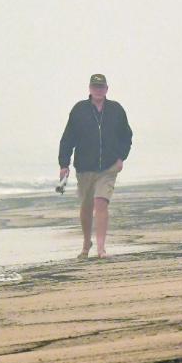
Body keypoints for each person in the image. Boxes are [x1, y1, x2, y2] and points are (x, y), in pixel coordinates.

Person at [58, 73, 133, 259]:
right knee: (86, 206)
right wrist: (64, 164)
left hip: (108, 167)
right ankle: (86, 243)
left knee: (101, 203)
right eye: (95, 87)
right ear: (90, 89)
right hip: (84, 167)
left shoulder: (116, 110)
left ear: (106, 89)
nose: (98, 90)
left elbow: (127, 136)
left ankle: (101, 248)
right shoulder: (79, 110)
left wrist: (121, 158)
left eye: (101, 87)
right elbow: (68, 138)